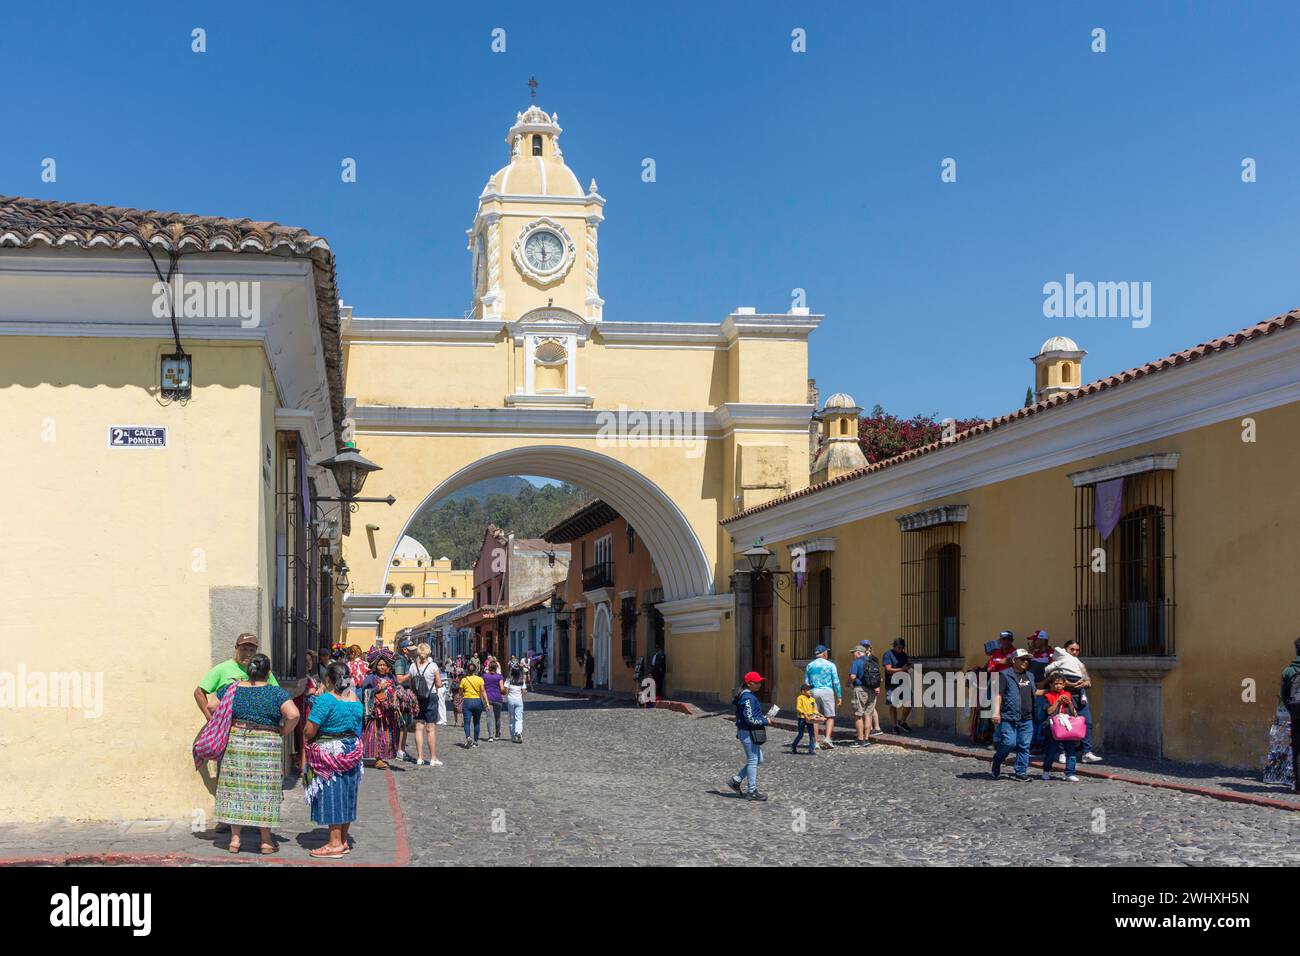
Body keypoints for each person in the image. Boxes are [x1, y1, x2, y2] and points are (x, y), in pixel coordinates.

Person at [212, 653, 298, 854]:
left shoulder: (231, 689)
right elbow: (293, 714)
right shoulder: (276, 693)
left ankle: (235, 841)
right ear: (268, 673)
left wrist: (221, 723)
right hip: (266, 744)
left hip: (236, 741)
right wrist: (284, 731)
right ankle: (266, 841)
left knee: (236, 788)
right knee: (265, 790)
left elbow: (211, 704)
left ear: (249, 672)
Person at [303, 660, 365, 859]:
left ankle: (334, 844)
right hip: (351, 750)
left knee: (332, 796)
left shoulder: (325, 701)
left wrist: (306, 736)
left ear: (328, 679)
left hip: (331, 753)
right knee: (347, 794)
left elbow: (310, 730)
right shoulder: (355, 699)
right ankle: (343, 840)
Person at [193, 632, 281, 721]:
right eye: (244, 649)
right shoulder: (222, 669)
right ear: (236, 648)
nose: (248, 653)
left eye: (252, 650)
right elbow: (199, 692)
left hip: (256, 723)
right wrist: (210, 719)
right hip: (227, 724)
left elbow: (277, 694)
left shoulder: (263, 670)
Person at [1046, 641, 1101, 764]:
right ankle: (1063, 752)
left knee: (1087, 722)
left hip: (1080, 697)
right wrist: (1070, 684)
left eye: (1077, 650)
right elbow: (1051, 676)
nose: (1075, 652)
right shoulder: (1059, 662)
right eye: (1072, 649)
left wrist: (1085, 683)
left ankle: (1086, 752)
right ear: (1066, 650)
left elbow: (1088, 680)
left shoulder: (1079, 664)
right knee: (1063, 724)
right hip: (1065, 696)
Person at [990, 648, 1036, 781]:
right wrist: (996, 712)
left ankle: (1021, 772)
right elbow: (999, 694)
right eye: (1023, 659)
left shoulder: (1030, 676)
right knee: (1009, 743)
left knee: (1024, 745)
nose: (1026, 661)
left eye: (1028, 659)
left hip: (1027, 717)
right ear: (1014, 660)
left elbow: (1034, 692)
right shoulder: (1004, 675)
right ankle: (997, 760)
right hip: (1009, 716)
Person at [727, 671, 771, 800]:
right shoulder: (748, 698)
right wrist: (765, 721)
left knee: (759, 759)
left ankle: (736, 780)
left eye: (759, 682)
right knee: (753, 760)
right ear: (749, 683)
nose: (759, 684)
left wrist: (763, 718)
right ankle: (752, 790)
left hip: (748, 731)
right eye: (757, 682)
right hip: (748, 732)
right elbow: (750, 719)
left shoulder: (748, 696)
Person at [359, 650, 404, 769]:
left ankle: (382, 756)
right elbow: (364, 693)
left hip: (388, 712)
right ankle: (378, 759)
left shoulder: (391, 677)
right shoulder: (370, 678)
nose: (382, 667)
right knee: (377, 734)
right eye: (380, 665)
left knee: (386, 734)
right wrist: (378, 688)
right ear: (375, 665)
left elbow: (396, 689)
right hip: (376, 713)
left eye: (384, 665)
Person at [1265, 637, 1300, 791]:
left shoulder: (1288, 670)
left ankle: (1298, 785)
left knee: (1297, 747)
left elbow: (1283, 695)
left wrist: (1291, 709)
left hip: (1295, 711)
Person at [1038, 673, 1081, 782]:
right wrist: (1057, 701)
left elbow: (1075, 713)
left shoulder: (1068, 695)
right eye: (1056, 684)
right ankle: (1046, 771)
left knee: (1070, 751)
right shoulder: (1048, 696)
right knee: (1051, 751)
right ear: (1051, 685)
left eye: (1060, 684)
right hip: (1054, 728)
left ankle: (1070, 773)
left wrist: (1070, 703)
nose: (1058, 686)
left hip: (1067, 727)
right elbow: (1049, 711)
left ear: (1064, 685)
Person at [409, 643, 444, 767]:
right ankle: (433, 758)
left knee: (419, 727)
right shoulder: (433, 666)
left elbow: (411, 685)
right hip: (431, 697)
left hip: (418, 698)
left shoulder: (412, 667)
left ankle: (419, 757)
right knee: (430, 729)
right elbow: (439, 684)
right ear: (428, 652)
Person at [803, 644, 841, 749]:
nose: (827, 653)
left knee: (815, 717)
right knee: (830, 716)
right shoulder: (830, 665)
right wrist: (839, 695)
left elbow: (806, 682)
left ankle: (816, 742)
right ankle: (828, 739)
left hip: (814, 692)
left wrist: (807, 694)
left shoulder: (810, 665)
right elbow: (836, 681)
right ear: (824, 653)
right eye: (827, 652)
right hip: (827, 691)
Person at [848, 641, 880, 747]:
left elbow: (852, 676)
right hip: (872, 690)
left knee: (858, 715)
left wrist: (849, 683)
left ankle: (860, 739)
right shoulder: (873, 661)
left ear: (858, 652)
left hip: (859, 690)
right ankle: (866, 739)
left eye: (853, 652)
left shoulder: (856, 662)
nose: (853, 654)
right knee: (868, 715)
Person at [883, 637, 914, 733]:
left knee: (909, 703)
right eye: (899, 647)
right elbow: (888, 669)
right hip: (892, 683)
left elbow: (905, 667)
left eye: (902, 648)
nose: (901, 649)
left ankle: (902, 722)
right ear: (894, 646)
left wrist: (908, 667)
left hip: (904, 682)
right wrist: (902, 669)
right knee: (893, 705)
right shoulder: (888, 655)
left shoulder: (903, 654)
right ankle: (894, 726)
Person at [790, 683, 823, 754]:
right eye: (808, 690)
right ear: (803, 691)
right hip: (802, 718)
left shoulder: (812, 699)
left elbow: (814, 709)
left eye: (810, 689)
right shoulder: (800, 698)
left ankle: (811, 750)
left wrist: (819, 714)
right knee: (800, 734)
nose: (810, 691)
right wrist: (804, 713)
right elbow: (798, 707)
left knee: (812, 734)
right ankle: (794, 745)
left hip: (810, 719)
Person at [460, 659, 486, 747]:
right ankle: (475, 742)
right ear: (475, 670)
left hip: (467, 701)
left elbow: (460, 692)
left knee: (467, 722)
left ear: (467, 670)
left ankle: (468, 737)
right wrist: (487, 702)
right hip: (478, 701)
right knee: (477, 722)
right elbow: (483, 691)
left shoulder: (464, 680)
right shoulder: (480, 679)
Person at [483, 659, 506, 741]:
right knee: (498, 717)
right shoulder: (499, 676)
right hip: (498, 698)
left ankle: (490, 736)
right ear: (496, 668)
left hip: (488, 698)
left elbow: (483, 688)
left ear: (489, 667)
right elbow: (502, 689)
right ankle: (497, 734)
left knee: (489, 717)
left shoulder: (485, 676)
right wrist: (505, 691)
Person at [506, 665, 528, 743]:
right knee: (519, 718)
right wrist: (522, 694)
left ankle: (513, 735)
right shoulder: (521, 680)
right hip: (519, 700)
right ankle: (518, 733)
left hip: (511, 700)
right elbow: (524, 691)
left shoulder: (509, 680)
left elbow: (506, 690)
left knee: (511, 717)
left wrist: (508, 694)